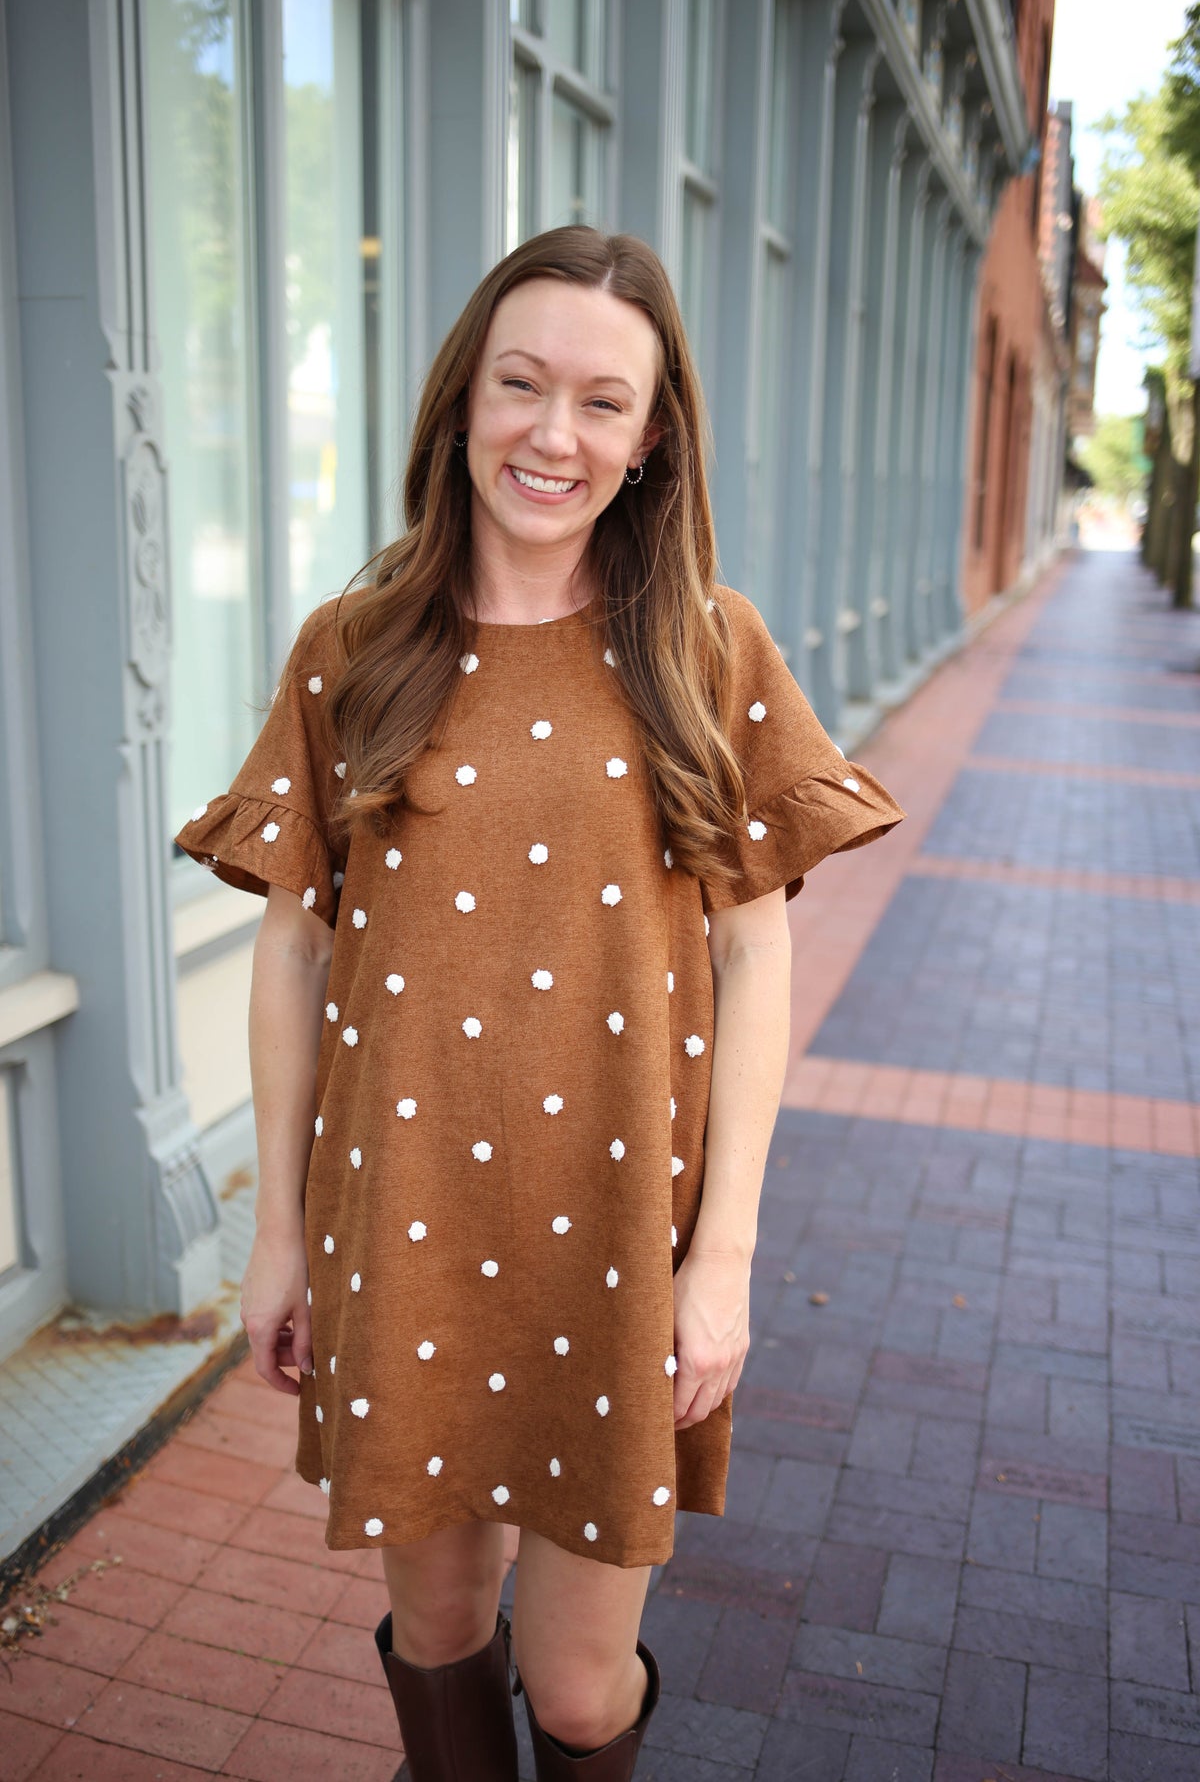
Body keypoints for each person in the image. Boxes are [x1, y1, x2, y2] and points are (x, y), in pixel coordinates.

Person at [176, 226, 903, 1780]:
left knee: (578, 1696)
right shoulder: (353, 650)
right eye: (520, 385)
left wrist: (727, 1261)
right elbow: (297, 954)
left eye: (600, 402)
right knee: (439, 1635)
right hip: (407, 1222)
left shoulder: (706, 649)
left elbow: (757, 952)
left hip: (621, 1238)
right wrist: (278, 1238)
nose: (551, 435)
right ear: (461, 402)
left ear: (651, 441)